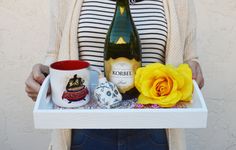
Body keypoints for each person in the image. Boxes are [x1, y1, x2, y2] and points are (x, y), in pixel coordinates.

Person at [25, 0, 204, 150]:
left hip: (152, 128)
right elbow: (54, 54)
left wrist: (192, 70)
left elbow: (189, 58)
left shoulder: (180, 2)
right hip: (84, 129)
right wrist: (43, 77)